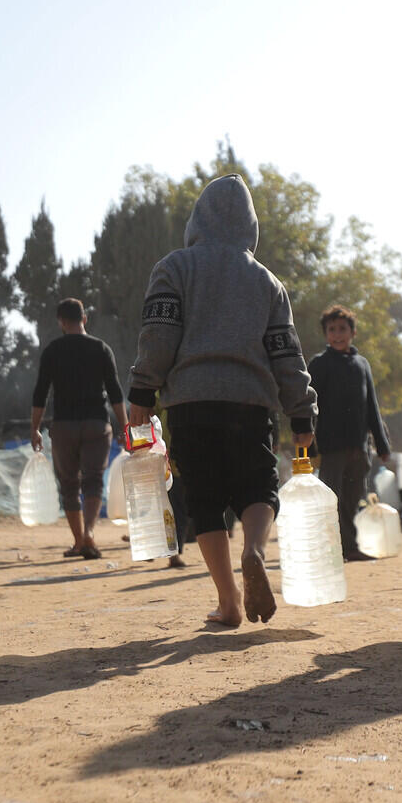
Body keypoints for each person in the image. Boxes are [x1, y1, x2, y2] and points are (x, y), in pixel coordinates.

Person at [128, 175, 318, 628]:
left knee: (204, 500)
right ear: (251, 226)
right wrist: (301, 411)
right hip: (251, 402)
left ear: (197, 219)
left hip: (190, 403)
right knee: (258, 487)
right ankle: (254, 551)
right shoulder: (267, 281)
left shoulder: (174, 268)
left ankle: (229, 600)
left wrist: (141, 391)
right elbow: (286, 352)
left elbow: (159, 335)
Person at [29, 297, 128, 560]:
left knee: (69, 484)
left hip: (63, 426)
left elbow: (41, 394)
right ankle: (90, 534)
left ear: (61, 322)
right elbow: (116, 392)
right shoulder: (101, 349)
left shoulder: (52, 351)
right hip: (97, 423)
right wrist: (125, 426)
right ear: (84, 319)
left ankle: (77, 541)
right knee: (93, 479)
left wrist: (35, 428)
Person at [306, 305, 394, 561]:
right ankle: (330, 549)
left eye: (342, 329)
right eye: (331, 330)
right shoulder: (319, 364)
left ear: (353, 332)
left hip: (359, 447)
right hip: (331, 447)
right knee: (331, 499)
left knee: (354, 500)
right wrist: (310, 442)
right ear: (325, 335)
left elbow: (372, 407)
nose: (337, 334)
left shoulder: (362, 364)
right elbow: (310, 405)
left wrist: (382, 444)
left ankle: (351, 547)